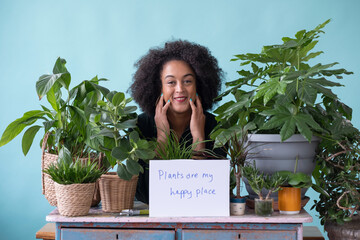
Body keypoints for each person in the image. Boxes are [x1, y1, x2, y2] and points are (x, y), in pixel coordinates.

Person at [129, 40, 226, 204]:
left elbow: (208, 196)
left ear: (199, 85)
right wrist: (162, 137)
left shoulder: (216, 127)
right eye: (171, 82)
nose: (180, 89)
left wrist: (198, 138)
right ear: (158, 87)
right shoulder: (140, 126)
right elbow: (146, 194)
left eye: (187, 81)